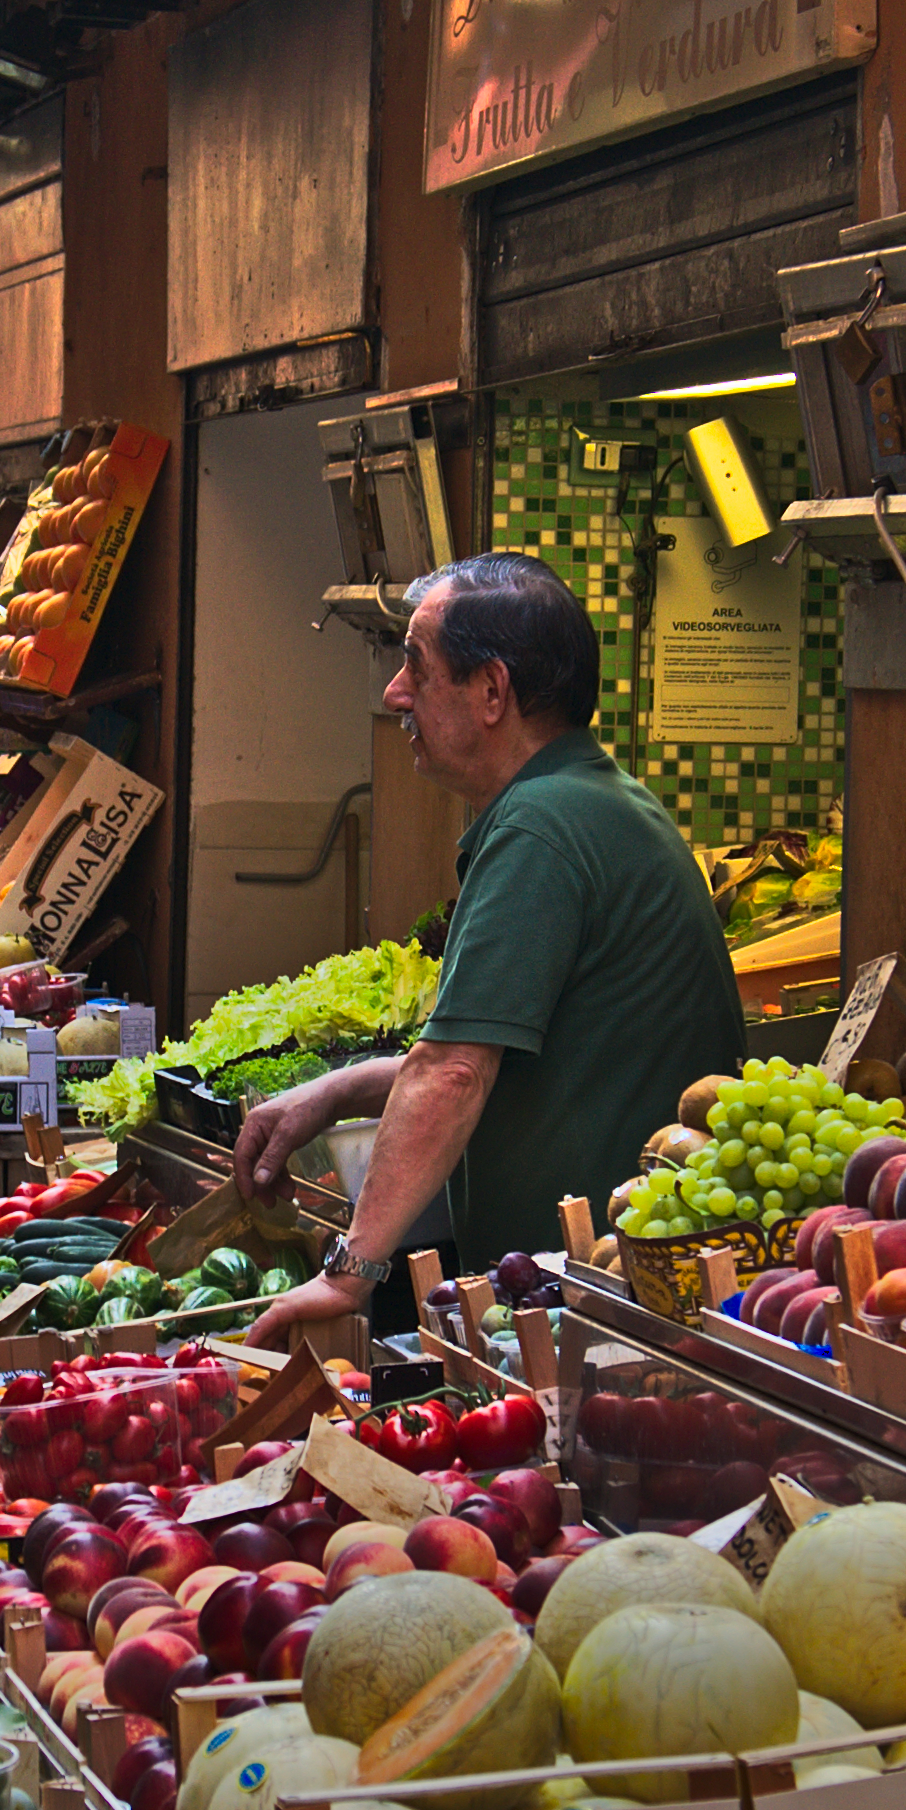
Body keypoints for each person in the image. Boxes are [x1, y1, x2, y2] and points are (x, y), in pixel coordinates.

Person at [239, 555, 749, 1340]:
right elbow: (490, 1051)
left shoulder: (538, 828)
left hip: (595, 1301)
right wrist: (334, 1093)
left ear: (491, 693)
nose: (394, 693)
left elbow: (456, 1072)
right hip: (596, 1287)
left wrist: (352, 1275)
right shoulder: (590, 799)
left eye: (416, 664)